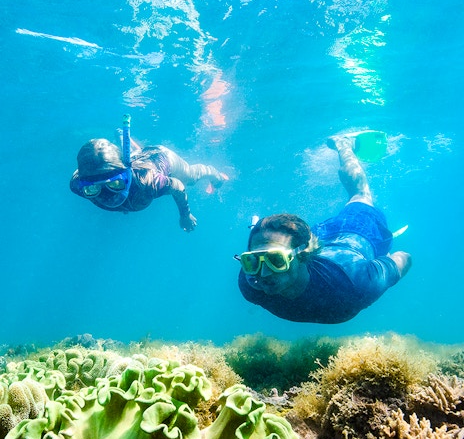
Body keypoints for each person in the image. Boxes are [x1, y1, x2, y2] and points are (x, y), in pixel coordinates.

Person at [236, 133, 412, 323]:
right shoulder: (250, 283)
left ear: (304, 255)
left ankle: (344, 144)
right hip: (320, 235)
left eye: (276, 260)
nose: (263, 274)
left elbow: (405, 258)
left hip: (358, 231)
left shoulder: (355, 282)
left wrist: (383, 265)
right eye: (252, 261)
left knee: (360, 194)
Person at [70, 136, 228, 232]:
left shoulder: (149, 182)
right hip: (137, 162)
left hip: (161, 157)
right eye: (93, 188)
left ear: (126, 173)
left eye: (116, 184)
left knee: (191, 178)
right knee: (134, 158)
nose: (108, 195)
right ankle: (134, 152)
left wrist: (185, 215)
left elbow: (179, 186)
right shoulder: (77, 185)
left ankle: (215, 175)